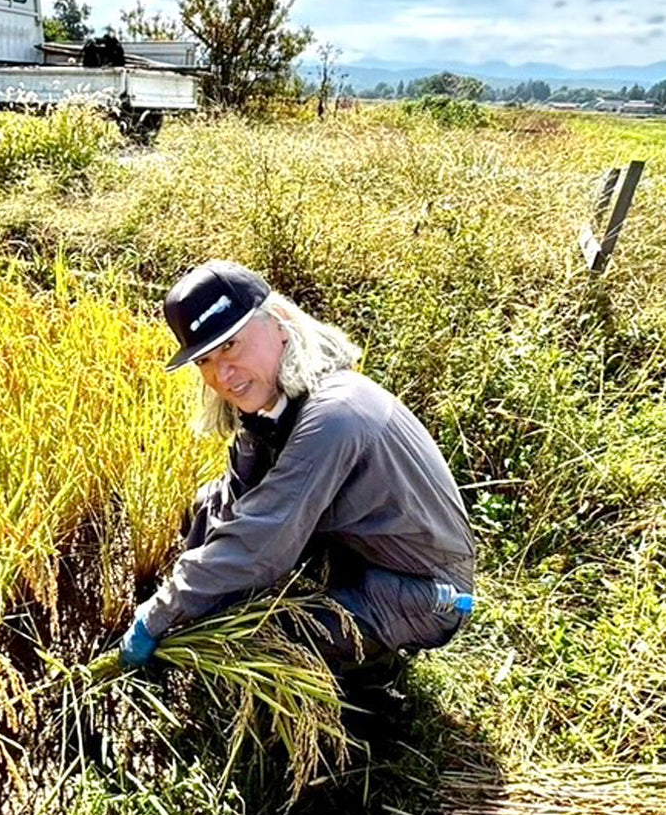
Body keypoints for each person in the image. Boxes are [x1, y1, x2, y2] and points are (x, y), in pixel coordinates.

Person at [119, 260, 475, 668]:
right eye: (205, 360)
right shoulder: (270, 411)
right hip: (352, 553)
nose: (222, 373)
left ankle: (368, 693)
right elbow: (237, 504)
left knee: (264, 644)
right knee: (208, 506)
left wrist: (157, 616)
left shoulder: (335, 414)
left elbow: (259, 543)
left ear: (280, 323)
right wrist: (188, 604)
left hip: (418, 586)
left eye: (231, 344)